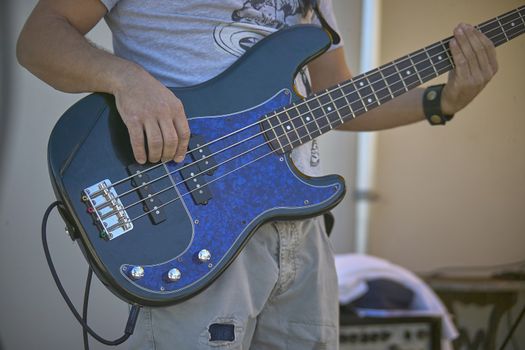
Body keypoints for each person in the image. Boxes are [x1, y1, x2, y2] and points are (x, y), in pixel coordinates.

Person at [16, 0, 498, 348]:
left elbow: (339, 97)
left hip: (299, 229)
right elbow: (39, 39)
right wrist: (126, 80)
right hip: (195, 217)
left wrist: (442, 101)